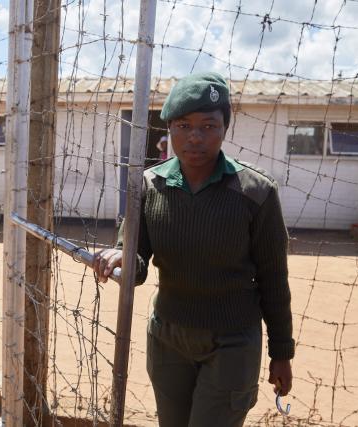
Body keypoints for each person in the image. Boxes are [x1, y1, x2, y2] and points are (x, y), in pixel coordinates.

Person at [93, 72, 294, 426]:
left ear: (224, 128)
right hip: (168, 341)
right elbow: (136, 265)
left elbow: (273, 279)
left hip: (232, 344)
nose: (195, 137)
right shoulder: (149, 185)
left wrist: (281, 353)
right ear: (169, 129)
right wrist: (121, 258)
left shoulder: (256, 192)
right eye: (184, 125)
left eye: (208, 126)